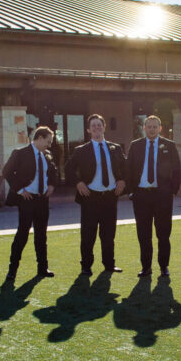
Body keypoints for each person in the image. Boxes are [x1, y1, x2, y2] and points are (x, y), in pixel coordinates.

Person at [65, 114, 127, 275]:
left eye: (99, 125)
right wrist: (78, 183)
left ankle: (109, 264)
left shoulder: (116, 148)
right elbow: (68, 169)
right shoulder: (81, 150)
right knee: (88, 234)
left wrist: (122, 181)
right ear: (88, 130)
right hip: (90, 198)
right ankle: (86, 266)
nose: (97, 128)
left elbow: (126, 168)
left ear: (104, 127)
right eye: (93, 126)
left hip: (109, 197)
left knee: (108, 234)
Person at [125, 115, 181, 277]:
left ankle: (164, 267)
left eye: (154, 127)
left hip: (162, 197)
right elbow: (128, 170)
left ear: (160, 128)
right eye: (148, 127)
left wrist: (173, 191)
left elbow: (177, 169)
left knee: (163, 234)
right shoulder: (135, 146)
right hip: (141, 196)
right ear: (144, 128)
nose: (151, 129)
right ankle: (146, 267)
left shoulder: (169, 145)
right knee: (144, 234)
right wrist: (131, 191)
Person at [2, 126, 57, 287]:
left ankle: (43, 268)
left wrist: (52, 185)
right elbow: (6, 172)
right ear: (39, 137)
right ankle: (12, 270)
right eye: (48, 141)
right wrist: (20, 190)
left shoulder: (47, 155)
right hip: (27, 199)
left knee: (41, 235)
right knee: (22, 234)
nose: (49, 145)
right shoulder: (20, 153)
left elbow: (53, 174)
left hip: (42, 200)